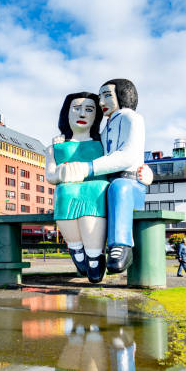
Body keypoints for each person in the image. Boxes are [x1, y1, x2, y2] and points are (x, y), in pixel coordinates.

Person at [56, 79, 152, 275]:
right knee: (96, 192)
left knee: (119, 188)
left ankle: (121, 245)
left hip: (129, 182)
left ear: (123, 95)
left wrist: (89, 168)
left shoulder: (131, 118)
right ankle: (89, 251)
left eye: (107, 95)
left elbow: (129, 155)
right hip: (108, 181)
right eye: (101, 97)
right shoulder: (105, 128)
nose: (102, 102)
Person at [45, 92, 108, 283]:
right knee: (65, 191)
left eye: (89, 109)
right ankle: (76, 247)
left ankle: (94, 253)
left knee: (96, 189)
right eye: (76, 109)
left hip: (96, 188)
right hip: (68, 190)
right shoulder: (55, 147)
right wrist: (61, 174)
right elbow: (50, 175)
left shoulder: (103, 143)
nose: (82, 114)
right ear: (67, 113)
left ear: (96, 115)